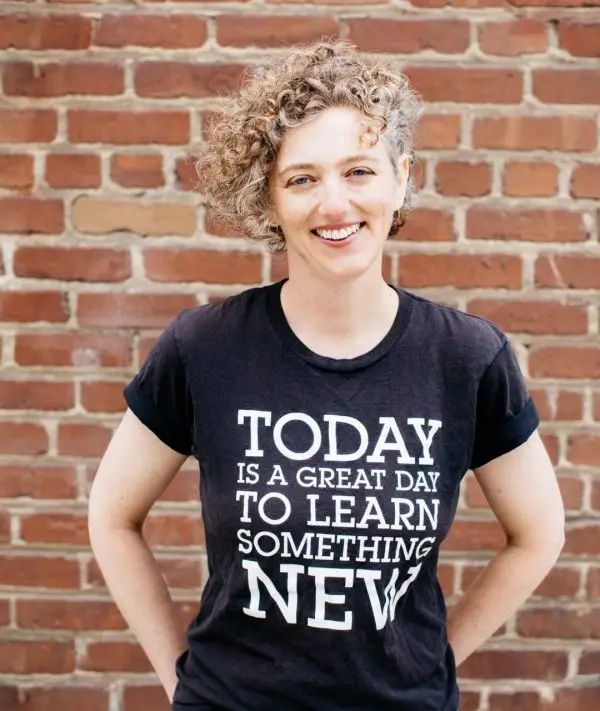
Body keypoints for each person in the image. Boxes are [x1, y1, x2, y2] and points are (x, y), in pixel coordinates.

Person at [88, 41, 565, 711]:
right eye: (303, 178)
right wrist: (183, 681)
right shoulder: (205, 347)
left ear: (401, 178)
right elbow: (112, 515)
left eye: (359, 171)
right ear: (271, 201)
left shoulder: (466, 357)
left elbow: (539, 533)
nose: (334, 204)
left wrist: (432, 666)